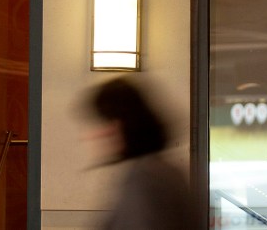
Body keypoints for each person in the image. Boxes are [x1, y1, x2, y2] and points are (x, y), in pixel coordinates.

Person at [83, 75, 197, 230]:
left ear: (123, 124)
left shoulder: (144, 178)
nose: (97, 133)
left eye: (104, 122)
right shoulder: (163, 171)